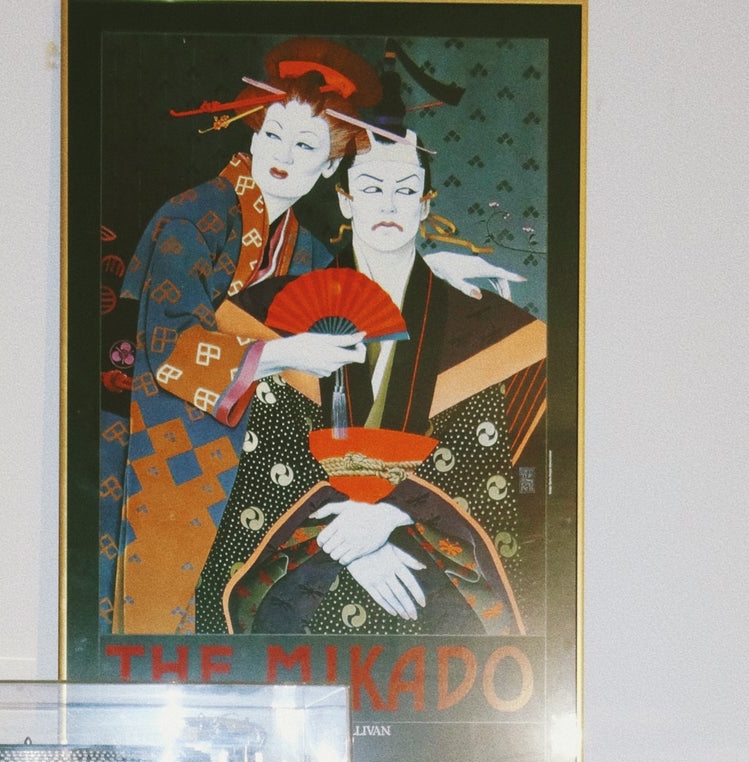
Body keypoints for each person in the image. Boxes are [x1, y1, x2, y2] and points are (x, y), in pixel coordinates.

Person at [193, 121, 548, 639]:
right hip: (310, 538)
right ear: (345, 200)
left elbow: (481, 457)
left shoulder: (479, 323)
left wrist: (388, 520)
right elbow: (271, 454)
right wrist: (347, 540)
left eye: (405, 192)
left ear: (425, 205)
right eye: (371, 190)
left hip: (428, 542)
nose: (387, 206)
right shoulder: (276, 313)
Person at [111, 39, 384, 636]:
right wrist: (283, 354)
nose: (284, 156)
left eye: (307, 144)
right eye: (273, 136)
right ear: (253, 135)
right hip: (168, 450)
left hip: (262, 465)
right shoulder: (191, 216)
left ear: (332, 164)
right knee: (157, 619)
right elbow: (169, 351)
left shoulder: (308, 251)